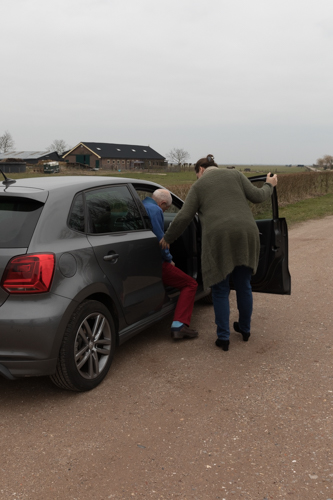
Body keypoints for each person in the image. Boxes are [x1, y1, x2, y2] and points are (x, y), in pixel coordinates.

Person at [160, 155, 278, 351]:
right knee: (244, 285)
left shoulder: (199, 186)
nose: (198, 178)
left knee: (221, 290)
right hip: (246, 233)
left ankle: (223, 338)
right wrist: (269, 184)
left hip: (219, 239)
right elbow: (258, 197)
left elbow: (184, 216)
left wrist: (168, 238)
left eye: (196, 174)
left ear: (201, 170)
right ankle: (245, 329)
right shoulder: (236, 175)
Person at [142, 189, 199, 340]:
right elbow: (161, 239)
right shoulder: (154, 210)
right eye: (166, 208)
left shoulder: (142, 205)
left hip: (142, 261)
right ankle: (179, 326)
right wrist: (169, 259)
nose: (165, 210)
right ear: (161, 203)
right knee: (190, 284)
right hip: (156, 263)